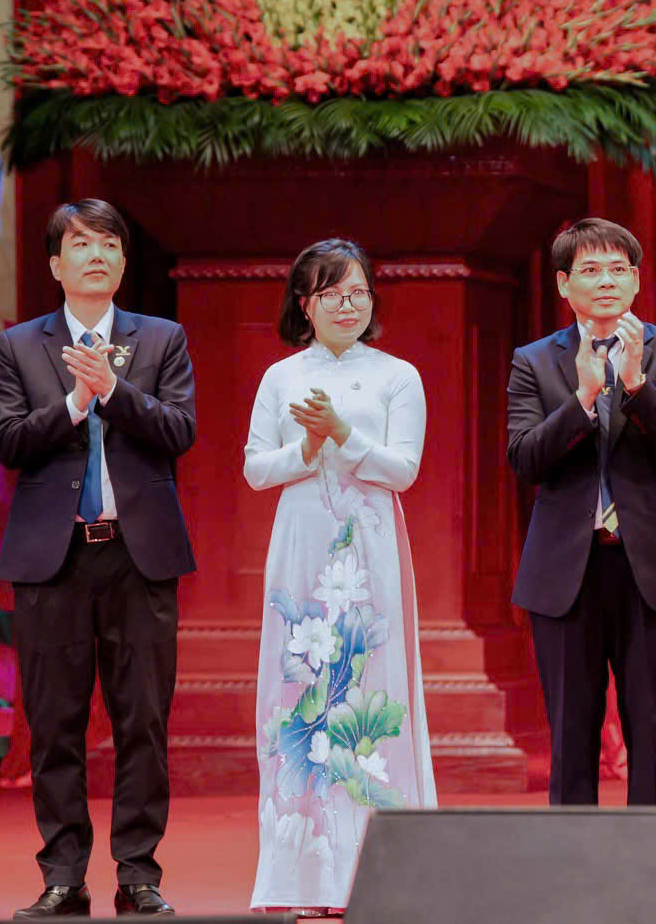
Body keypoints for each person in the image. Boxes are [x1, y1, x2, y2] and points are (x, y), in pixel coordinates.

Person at [0, 200, 196, 918]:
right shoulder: (20, 346)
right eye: (81, 245)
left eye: (109, 243)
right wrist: (76, 403)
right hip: (54, 561)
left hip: (139, 558)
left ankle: (138, 874)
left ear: (123, 262)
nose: (96, 255)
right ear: (56, 264)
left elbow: (179, 431)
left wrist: (115, 392)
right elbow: (8, 441)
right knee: (55, 724)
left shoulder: (161, 338)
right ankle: (63, 875)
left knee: (143, 722)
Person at [243, 239, 435, 913]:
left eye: (358, 293)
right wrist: (307, 446)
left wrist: (342, 435)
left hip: (369, 555)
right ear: (305, 304)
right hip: (301, 550)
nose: (347, 306)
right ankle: (303, 876)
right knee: (300, 691)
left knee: (368, 688)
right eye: (331, 295)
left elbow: (403, 470)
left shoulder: (398, 376)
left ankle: (374, 871)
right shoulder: (280, 377)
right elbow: (256, 469)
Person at [507, 217, 656, 805]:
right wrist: (583, 398)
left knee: (651, 730)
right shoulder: (534, 360)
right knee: (571, 735)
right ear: (563, 283)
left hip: (650, 567)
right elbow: (525, 458)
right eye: (591, 270)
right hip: (565, 571)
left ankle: (653, 853)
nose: (606, 282)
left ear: (636, 280)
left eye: (618, 269)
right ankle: (574, 855)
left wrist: (638, 386)